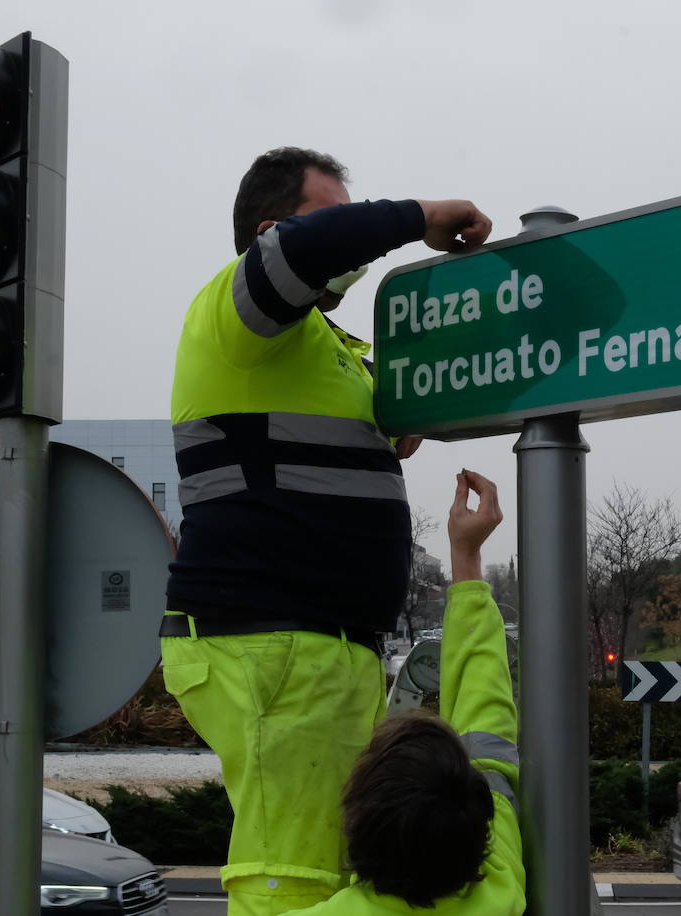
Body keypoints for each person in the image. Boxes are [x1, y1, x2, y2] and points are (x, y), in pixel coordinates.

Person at [159, 146, 492, 916]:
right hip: (275, 641)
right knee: (295, 880)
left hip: (318, 647)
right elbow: (302, 251)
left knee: (337, 873)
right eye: (334, 213)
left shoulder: (330, 352)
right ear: (271, 231)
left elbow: (393, 411)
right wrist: (420, 218)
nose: (350, 239)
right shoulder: (237, 316)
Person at [291, 468, 524, 914]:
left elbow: (486, 742)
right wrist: (466, 556)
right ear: (483, 830)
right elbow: (489, 729)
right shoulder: (502, 888)